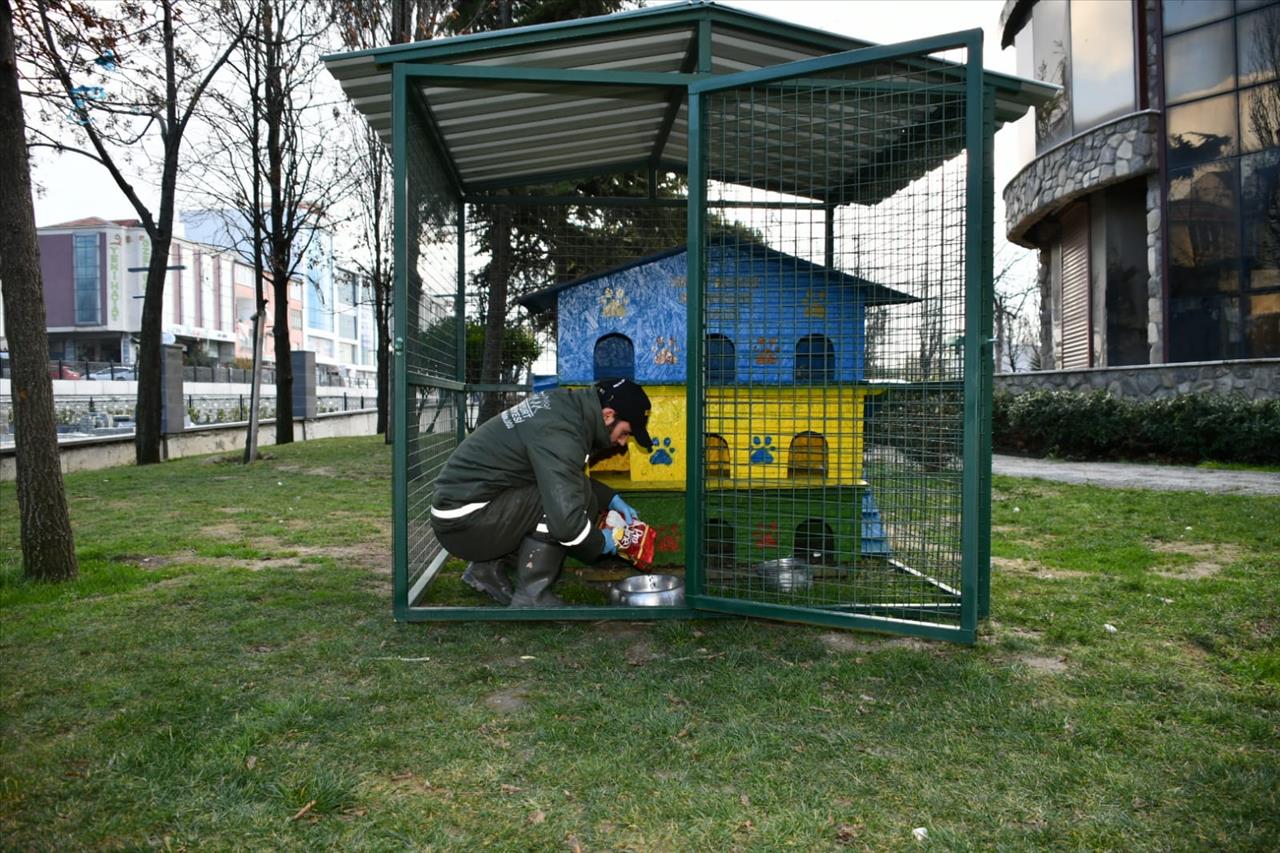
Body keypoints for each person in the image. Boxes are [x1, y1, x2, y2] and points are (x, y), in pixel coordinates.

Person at [430, 378, 653, 608]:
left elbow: (561, 474)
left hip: (467, 509)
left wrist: (610, 498)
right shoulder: (560, 431)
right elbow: (566, 523)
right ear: (607, 415)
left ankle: (486, 569)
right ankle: (532, 597)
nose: (623, 442)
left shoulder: (564, 408)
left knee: (571, 494)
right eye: (626, 433)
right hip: (463, 523)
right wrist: (602, 543)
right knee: (563, 506)